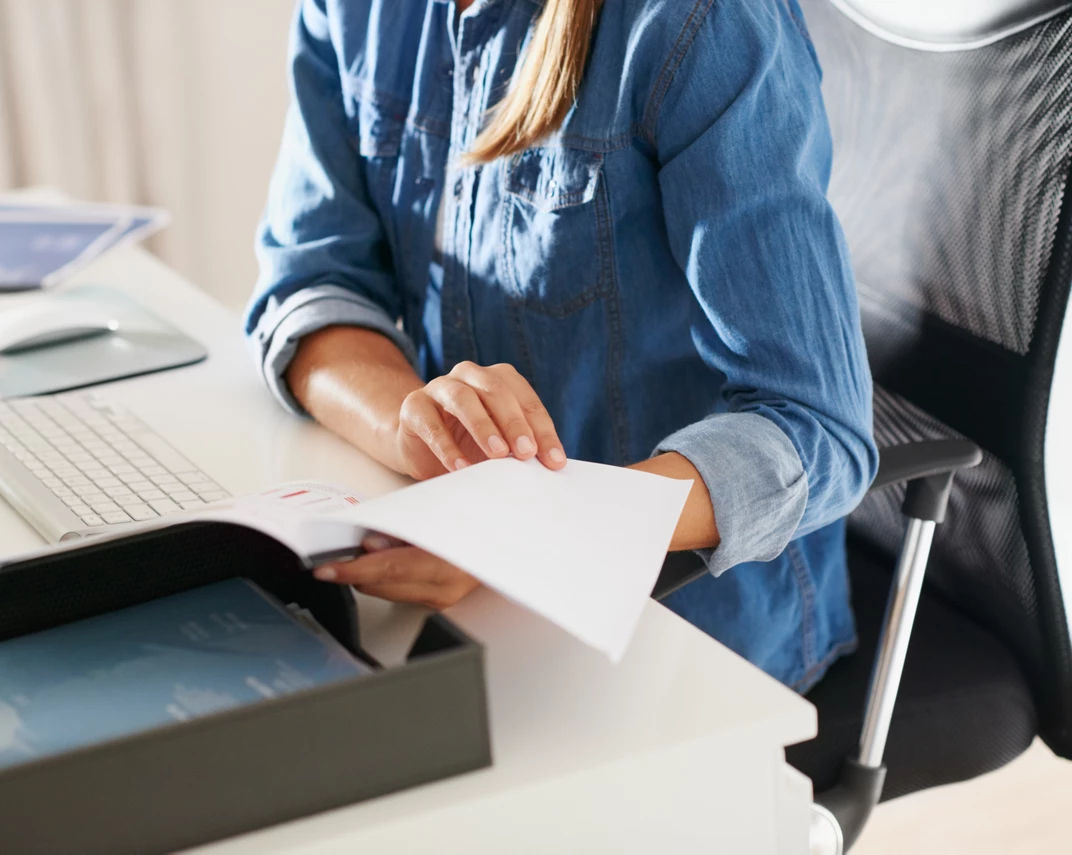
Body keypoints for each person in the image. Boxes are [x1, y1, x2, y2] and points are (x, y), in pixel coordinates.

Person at [245, 0, 877, 692]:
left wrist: (525, 529)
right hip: (473, 599)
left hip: (685, 634)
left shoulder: (702, 20)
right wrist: (418, 430)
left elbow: (817, 429)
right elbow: (312, 281)